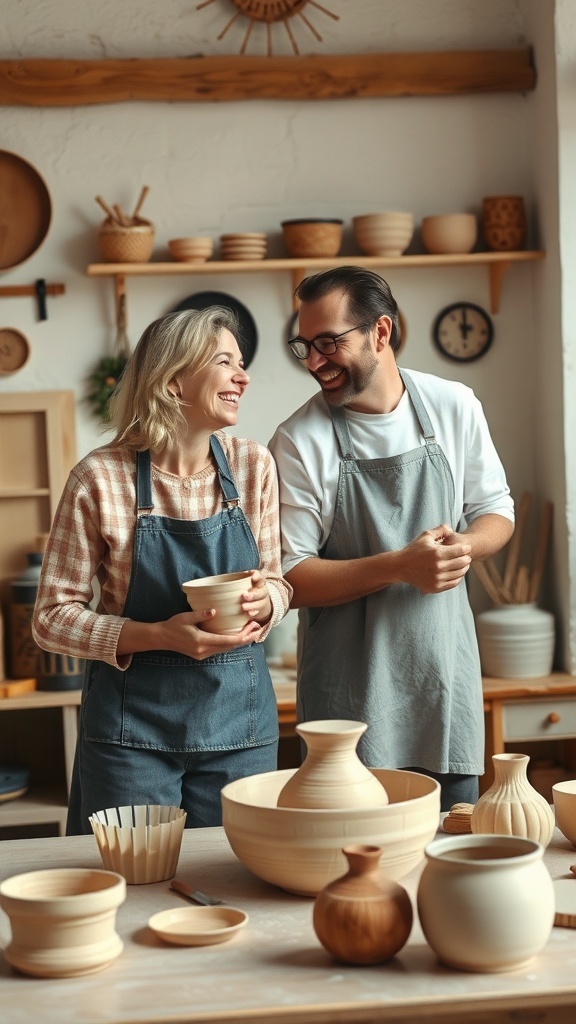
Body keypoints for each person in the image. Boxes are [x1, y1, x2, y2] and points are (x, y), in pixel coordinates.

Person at [33, 307, 292, 834]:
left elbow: (278, 581)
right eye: (225, 362)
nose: (243, 376)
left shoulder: (252, 465)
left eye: (241, 363)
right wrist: (158, 636)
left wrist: (269, 603)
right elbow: (50, 618)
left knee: (231, 882)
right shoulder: (100, 478)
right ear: (174, 382)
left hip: (240, 726)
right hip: (132, 736)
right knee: (130, 885)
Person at [269, 266, 514, 811]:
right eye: (304, 346)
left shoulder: (454, 405)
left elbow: (496, 510)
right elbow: (290, 577)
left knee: (450, 860)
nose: (314, 361)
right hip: (347, 703)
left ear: (380, 332)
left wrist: (464, 549)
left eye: (328, 342)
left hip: (442, 686)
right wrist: (402, 566)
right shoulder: (298, 440)